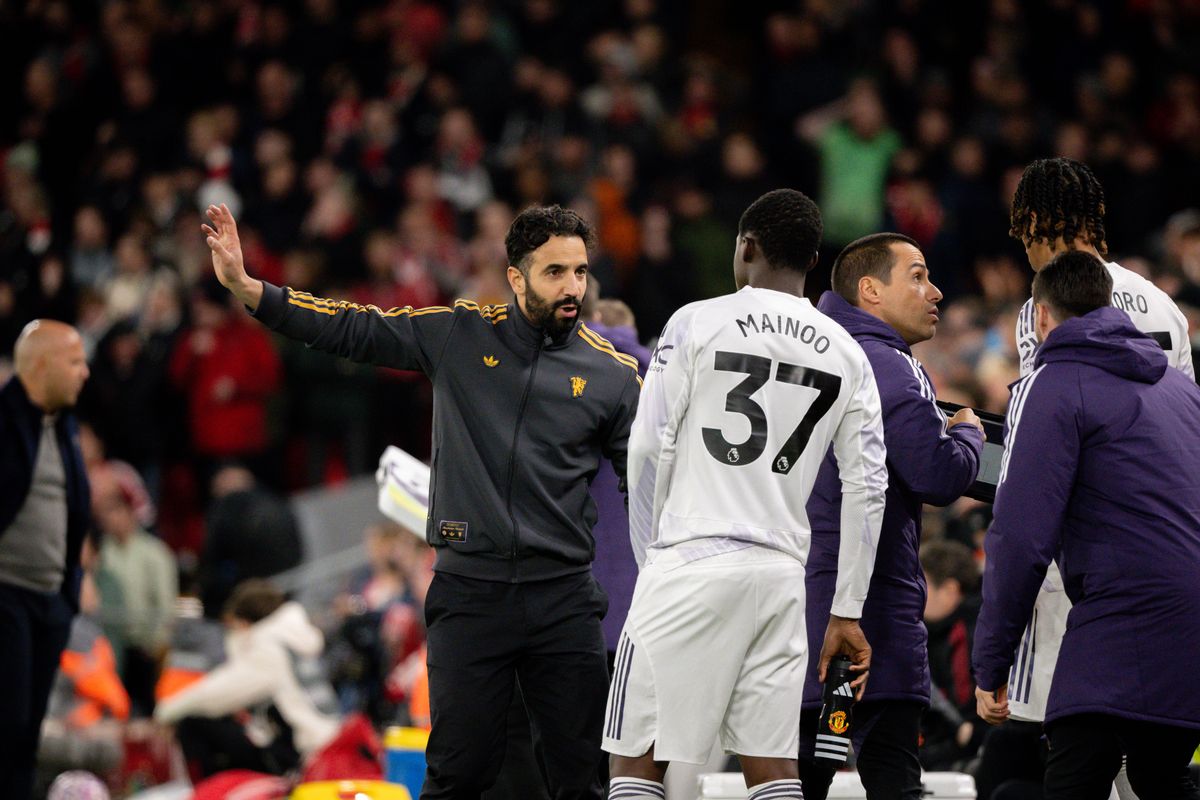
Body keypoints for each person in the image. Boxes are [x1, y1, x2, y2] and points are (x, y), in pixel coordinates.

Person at [202, 202, 640, 799]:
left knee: (580, 781)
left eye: (581, 272)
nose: (573, 288)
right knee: (457, 774)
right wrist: (251, 290)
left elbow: (645, 487)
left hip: (563, 598)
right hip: (470, 594)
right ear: (516, 278)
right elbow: (353, 326)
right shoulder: (459, 332)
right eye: (555, 272)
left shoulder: (614, 376)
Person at [603, 188, 889, 800]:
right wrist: (846, 609)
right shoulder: (847, 353)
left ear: (747, 248)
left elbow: (648, 447)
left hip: (690, 559)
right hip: (781, 575)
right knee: (772, 767)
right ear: (812, 261)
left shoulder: (696, 321)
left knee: (636, 761)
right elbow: (868, 487)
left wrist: (650, 555)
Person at [972, 251, 1200, 800]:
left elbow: (1021, 537)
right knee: (1159, 777)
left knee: (1074, 778)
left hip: (1122, 611)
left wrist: (991, 660)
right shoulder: (1182, 390)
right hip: (1190, 618)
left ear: (1042, 318)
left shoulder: (1052, 386)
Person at [798, 233, 984, 800]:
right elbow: (937, 474)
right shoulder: (886, 363)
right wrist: (970, 437)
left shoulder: (811, 350)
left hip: (800, 602)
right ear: (870, 290)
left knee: (797, 778)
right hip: (870, 611)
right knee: (894, 779)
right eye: (919, 276)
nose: (936, 291)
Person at [0, 319, 92, 799]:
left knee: (27, 732)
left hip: (47, 603)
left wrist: (67, 596)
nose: (85, 372)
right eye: (75, 361)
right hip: (7, 596)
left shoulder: (64, 428)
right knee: (8, 725)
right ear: (40, 365)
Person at [154, 579, 340, 779]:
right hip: (322, 744)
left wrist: (166, 710)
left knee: (194, 721)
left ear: (243, 623)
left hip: (305, 755)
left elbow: (216, 694)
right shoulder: (293, 639)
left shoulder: (268, 648)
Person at [93, 470, 178, 717]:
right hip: (110, 645)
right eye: (105, 513)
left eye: (116, 510)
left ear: (131, 512)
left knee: (150, 709)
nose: (111, 519)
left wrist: (157, 643)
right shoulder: (102, 554)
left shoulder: (155, 553)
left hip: (145, 646)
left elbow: (166, 603)